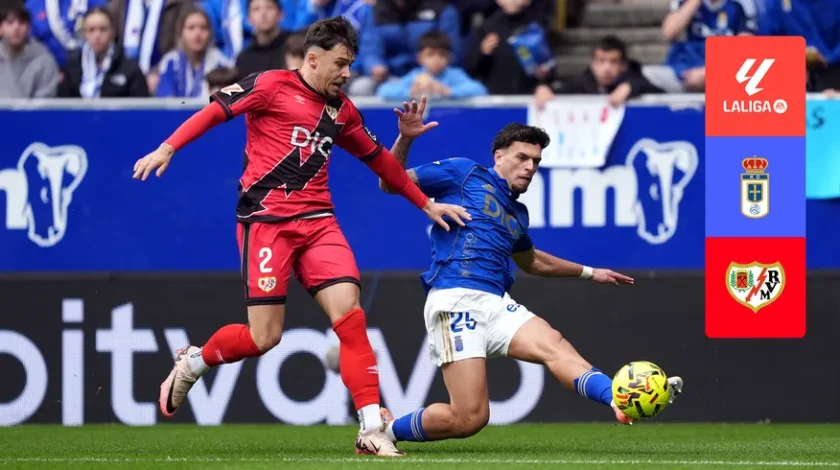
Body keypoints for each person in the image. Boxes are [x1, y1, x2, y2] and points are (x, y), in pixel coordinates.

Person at [132, 16, 469, 457]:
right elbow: (215, 112)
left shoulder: (343, 112)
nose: (347, 73)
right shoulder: (270, 85)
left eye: (351, 63)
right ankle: (195, 361)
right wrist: (168, 147)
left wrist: (426, 203)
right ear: (313, 58)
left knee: (350, 315)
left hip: (319, 224)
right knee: (263, 338)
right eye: (341, 63)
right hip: (267, 224)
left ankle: (371, 428)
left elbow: (380, 164)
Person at [376, 101, 685, 445]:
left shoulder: (517, 215)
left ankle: (617, 398)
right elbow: (389, 183)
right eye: (522, 158)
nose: (529, 167)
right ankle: (385, 431)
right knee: (470, 418)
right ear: (498, 155)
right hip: (455, 299)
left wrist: (589, 272)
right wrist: (405, 139)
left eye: (536, 161)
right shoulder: (465, 174)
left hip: (495, 303)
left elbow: (531, 261)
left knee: (554, 345)